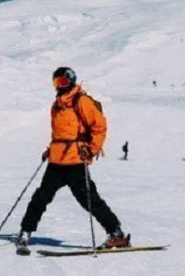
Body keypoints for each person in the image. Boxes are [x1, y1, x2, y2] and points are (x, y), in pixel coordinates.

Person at [15, 67, 129, 254]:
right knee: (40, 198)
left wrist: (92, 150)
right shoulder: (57, 105)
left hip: (75, 161)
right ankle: (25, 232)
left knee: (90, 201)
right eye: (56, 82)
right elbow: (61, 133)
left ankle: (116, 233)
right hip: (57, 161)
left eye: (63, 82)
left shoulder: (81, 101)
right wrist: (50, 149)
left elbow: (99, 126)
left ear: (71, 81)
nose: (59, 86)